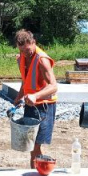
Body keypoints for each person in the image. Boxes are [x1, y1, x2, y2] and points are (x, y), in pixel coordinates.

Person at [12, 29, 58, 168]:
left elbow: (54, 86)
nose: (26, 53)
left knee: (36, 144)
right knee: (32, 145)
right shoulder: (21, 58)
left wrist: (35, 96)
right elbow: (25, 81)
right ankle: (38, 172)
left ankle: (39, 174)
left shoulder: (42, 60)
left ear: (33, 42)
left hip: (44, 106)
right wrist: (18, 97)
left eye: (28, 50)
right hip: (30, 105)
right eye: (22, 51)